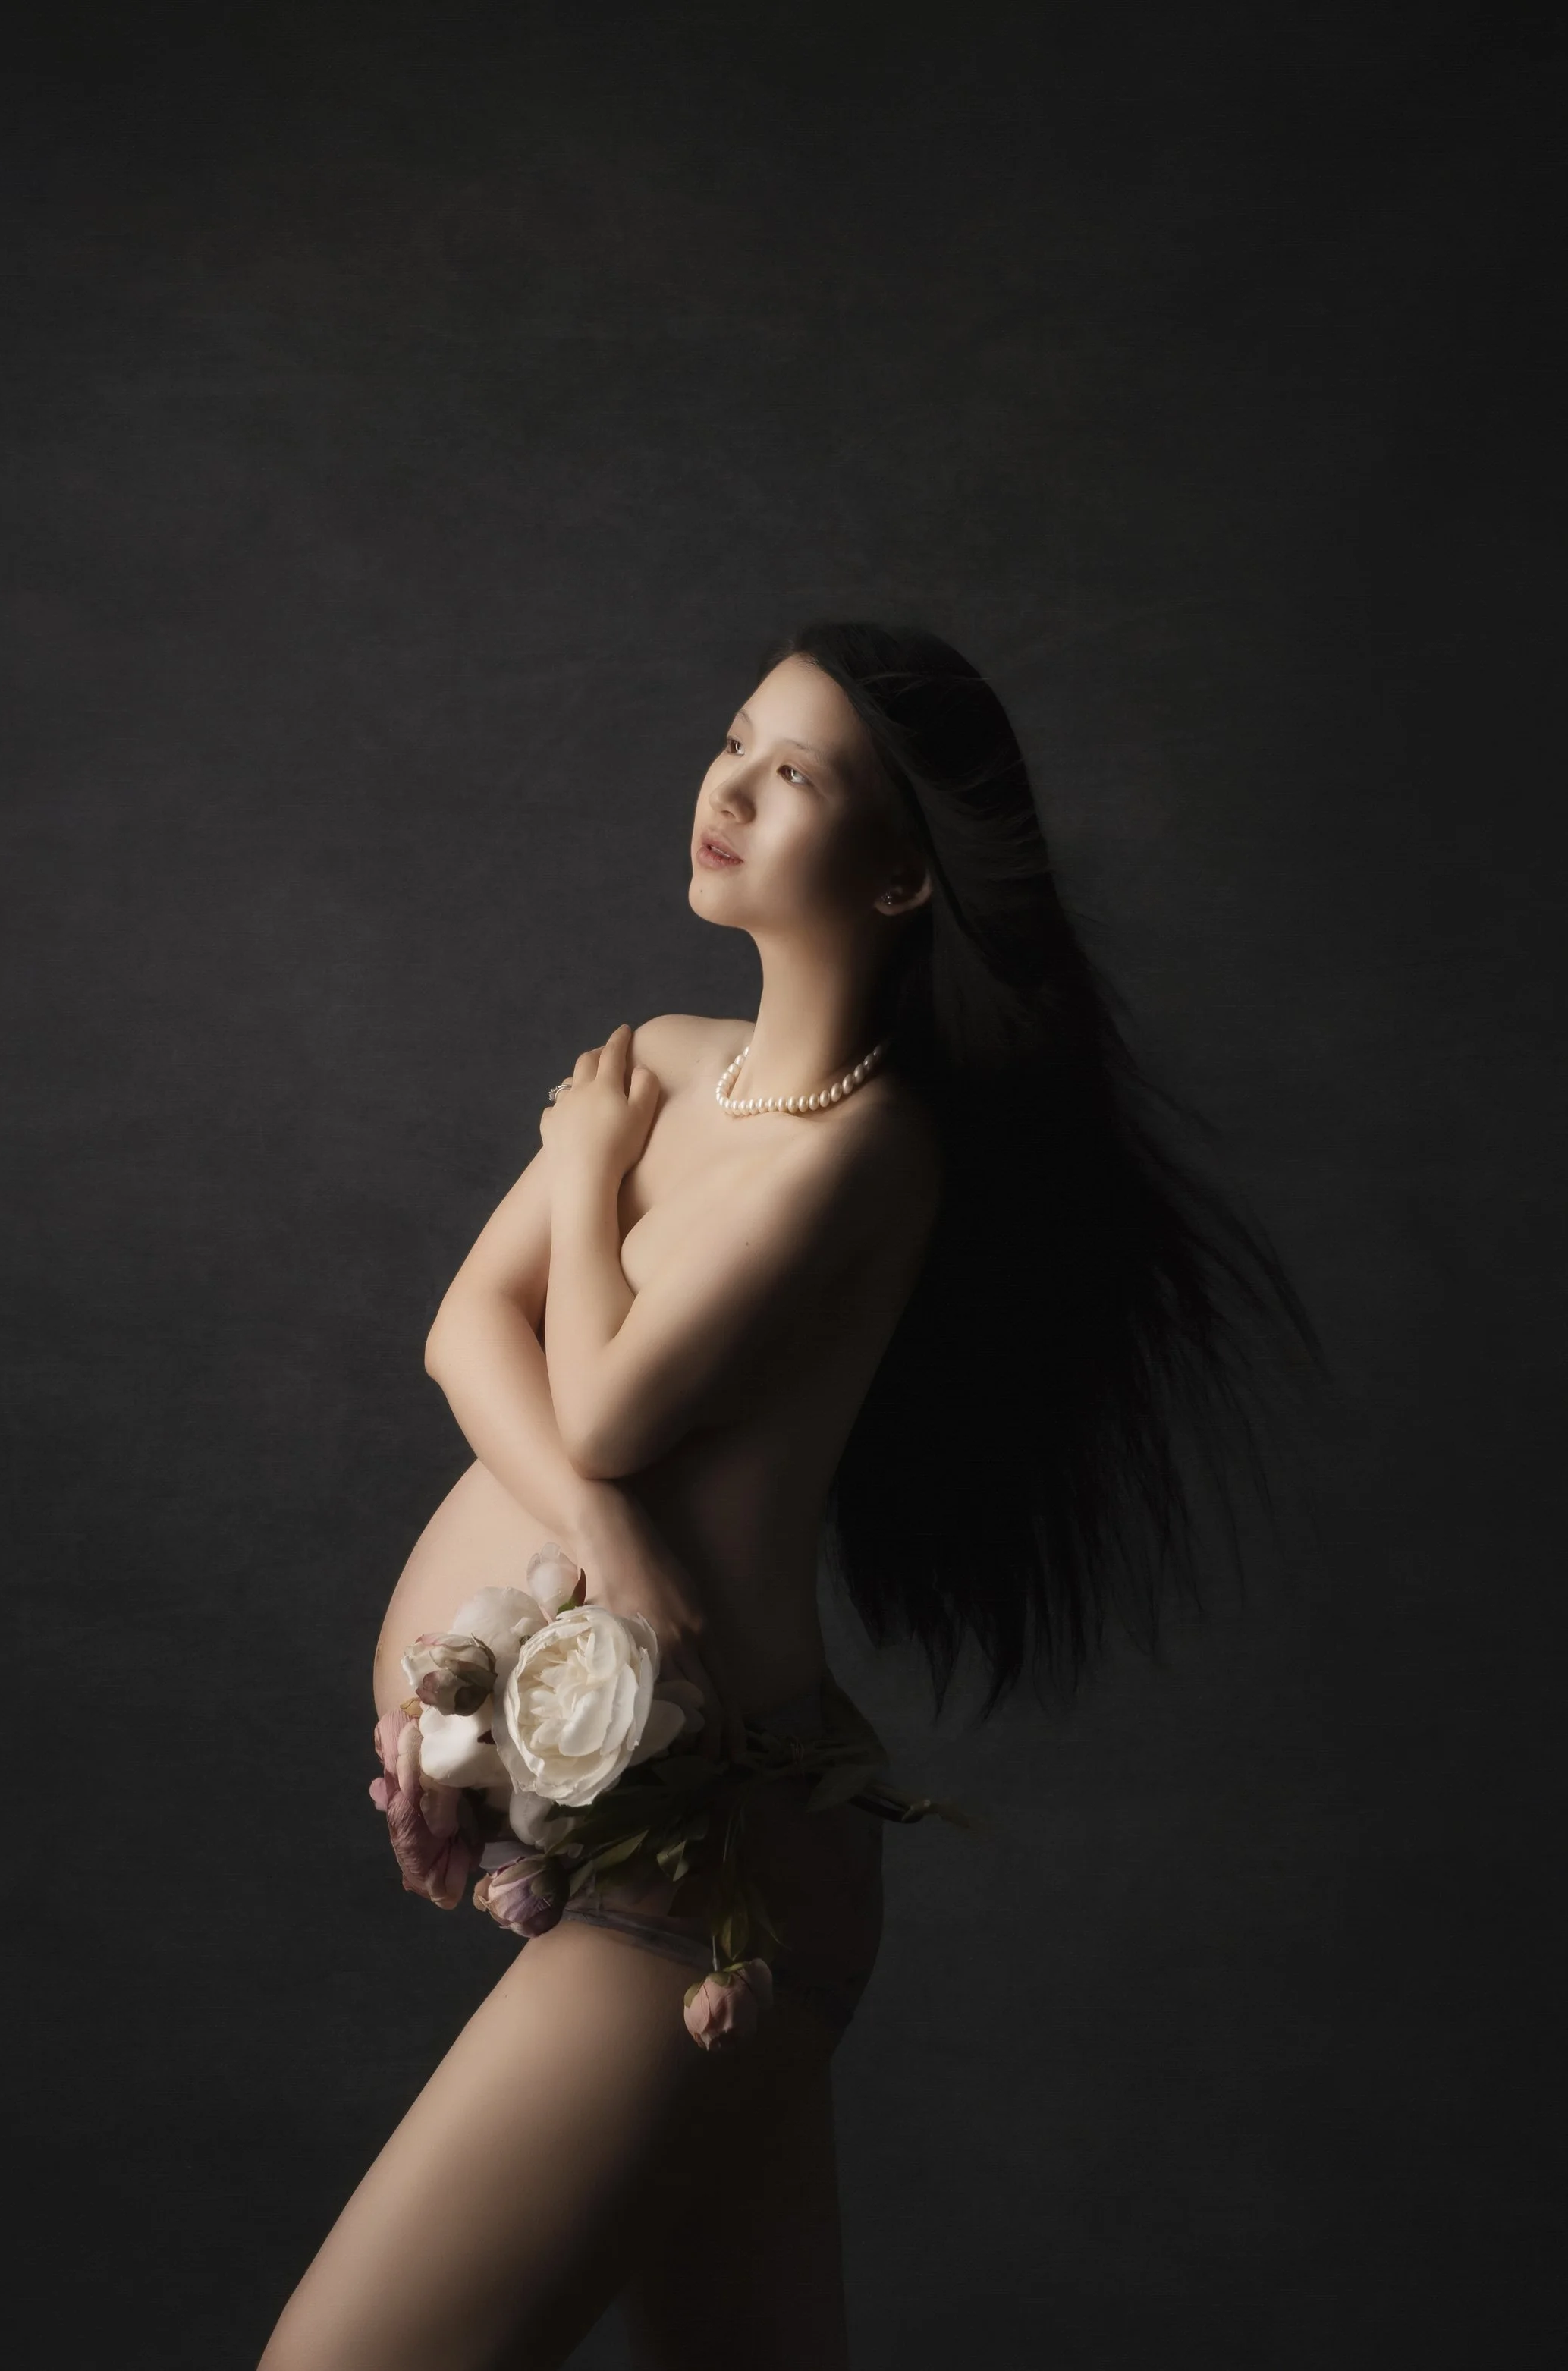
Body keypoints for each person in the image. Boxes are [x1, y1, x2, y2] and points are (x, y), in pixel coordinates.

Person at [255, 621, 1319, 2371]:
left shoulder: (860, 1149)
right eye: (731, 741)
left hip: (705, 1887)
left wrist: (586, 1168)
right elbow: (460, 1329)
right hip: (664, 1862)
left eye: (795, 773)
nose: (728, 790)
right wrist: (604, 1545)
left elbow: (594, 1395)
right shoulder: (669, 1054)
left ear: (903, 872)